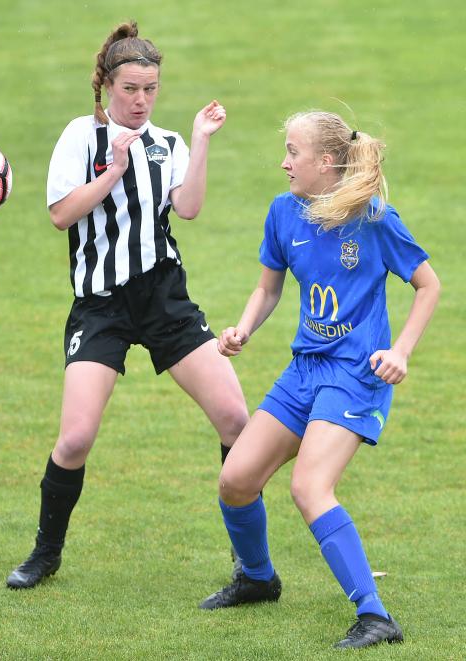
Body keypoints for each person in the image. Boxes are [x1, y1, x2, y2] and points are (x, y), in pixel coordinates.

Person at [6, 20, 249, 589]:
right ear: (107, 87)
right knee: (75, 438)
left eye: (151, 90)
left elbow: (187, 209)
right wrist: (114, 168)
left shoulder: (167, 143)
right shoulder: (79, 137)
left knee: (237, 420)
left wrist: (202, 138)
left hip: (164, 297)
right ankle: (45, 553)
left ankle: (250, 565)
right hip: (101, 304)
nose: (141, 101)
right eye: (130, 90)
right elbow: (62, 214)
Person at [199, 110, 440, 649]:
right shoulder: (283, 212)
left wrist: (400, 351)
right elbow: (268, 287)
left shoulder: (374, 218)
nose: (284, 163)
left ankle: (375, 615)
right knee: (236, 480)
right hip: (304, 369)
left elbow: (429, 285)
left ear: (325, 161)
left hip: (356, 374)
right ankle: (258, 580)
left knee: (309, 487)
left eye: (293, 153)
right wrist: (243, 326)